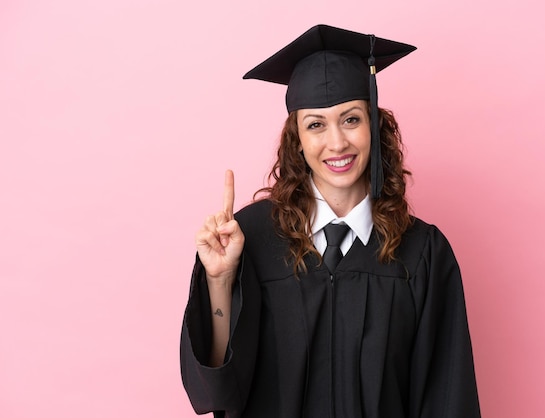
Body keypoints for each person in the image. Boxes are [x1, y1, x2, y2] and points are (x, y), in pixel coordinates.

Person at [180, 24, 481, 418]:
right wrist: (219, 280)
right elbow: (218, 393)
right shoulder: (249, 238)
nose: (337, 143)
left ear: (374, 125)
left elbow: (447, 398)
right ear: (297, 139)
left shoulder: (422, 251)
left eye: (351, 119)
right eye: (316, 124)